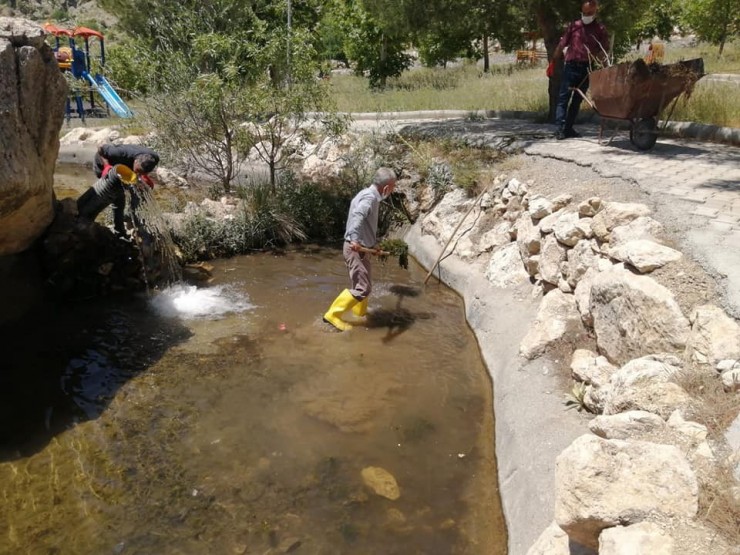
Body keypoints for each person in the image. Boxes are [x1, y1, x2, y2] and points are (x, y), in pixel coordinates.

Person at [323, 167, 397, 331]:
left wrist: (373, 244)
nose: (392, 191)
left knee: (363, 284)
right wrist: (355, 240)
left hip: (363, 248)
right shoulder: (369, 198)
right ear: (385, 188)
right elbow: (357, 216)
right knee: (363, 288)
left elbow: (365, 224)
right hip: (355, 248)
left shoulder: (367, 194)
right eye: (392, 187)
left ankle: (359, 312)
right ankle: (332, 315)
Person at [552, 0, 609, 140]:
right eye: (584, 13)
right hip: (571, 66)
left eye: (589, 13)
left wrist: (603, 60)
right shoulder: (574, 26)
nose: (586, 15)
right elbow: (562, 44)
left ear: (596, 11)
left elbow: (604, 50)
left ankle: (569, 128)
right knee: (563, 98)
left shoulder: (600, 29)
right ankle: (559, 129)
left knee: (577, 100)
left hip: (586, 68)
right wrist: (554, 61)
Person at [77, 164, 144, 237]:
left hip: (117, 182)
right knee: (91, 207)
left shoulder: (136, 170)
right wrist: (107, 167)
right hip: (110, 177)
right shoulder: (118, 165)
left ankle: (120, 231)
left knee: (118, 206)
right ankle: (82, 225)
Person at [93, 144, 160, 188]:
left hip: (125, 163)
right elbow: (100, 148)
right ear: (136, 161)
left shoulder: (154, 159)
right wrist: (106, 166)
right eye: (138, 171)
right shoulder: (117, 152)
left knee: (133, 185)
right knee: (107, 186)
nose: (138, 174)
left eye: (142, 172)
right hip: (103, 160)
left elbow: (142, 170)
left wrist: (143, 176)